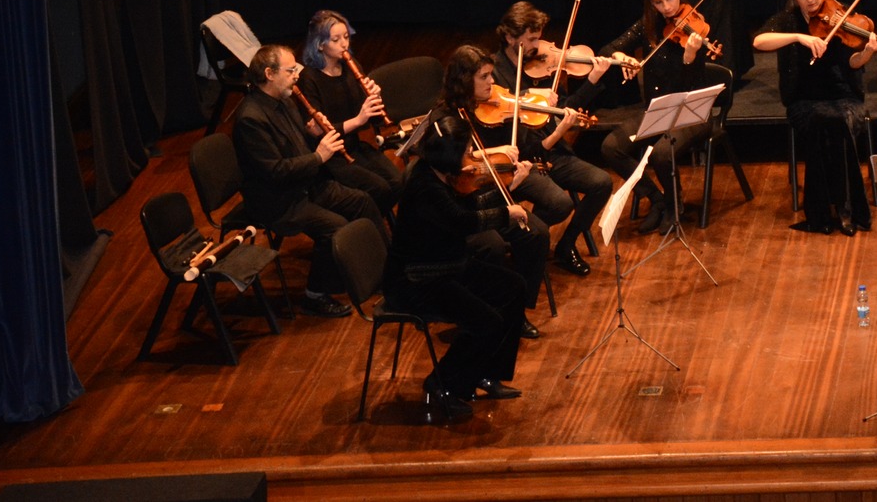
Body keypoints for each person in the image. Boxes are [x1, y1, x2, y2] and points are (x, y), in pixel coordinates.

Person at [385, 115, 532, 420]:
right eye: (466, 151)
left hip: (447, 267)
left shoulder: (438, 174)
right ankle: (441, 384)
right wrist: (506, 213)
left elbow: (465, 205)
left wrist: (508, 188)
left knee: (514, 287)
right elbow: (461, 221)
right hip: (417, 280)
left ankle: (485, 374)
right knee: (486, 321)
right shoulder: (424, 184)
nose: (470, 157)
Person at [578, 0, 736, 234]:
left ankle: (675, 206)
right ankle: (658, 199)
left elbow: (695, 86)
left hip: (692, 113)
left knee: (662, 153)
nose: (666, 8)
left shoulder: (695, 29)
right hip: (657, 110)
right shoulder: (648, 26)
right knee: (610, 147)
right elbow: (607, 49)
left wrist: (690, 56)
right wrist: (622, 58)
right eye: (658, 2)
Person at [230, 45, 383, 317]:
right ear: (269, 74)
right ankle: (315, 295)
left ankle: (381, 270)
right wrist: (319, 156)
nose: (296, 76)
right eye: (290, 71)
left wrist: (312, 133)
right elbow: (275, 171)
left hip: (304, 183)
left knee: (362, 201)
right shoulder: (250, 120)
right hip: (279, 200)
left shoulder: (285, 99)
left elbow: (295, 143)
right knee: (335, 227)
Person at [753, 0, 877, 235]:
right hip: (803, 100)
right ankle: (840, 210)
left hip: (843, 95)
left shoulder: (839, 14)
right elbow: (759, 41)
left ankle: (841, 209)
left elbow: (853, 62)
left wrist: (869, 52)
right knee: (825, 121)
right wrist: (800, 38)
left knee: (836, 121)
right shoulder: (788, 20)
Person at [470, 22, 614, 278]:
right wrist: (526, 95)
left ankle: (566, 245)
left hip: (550, 150)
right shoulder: (494, 75)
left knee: (601, 182)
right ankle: (527, 241)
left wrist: (591, 82)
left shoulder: (540, 68)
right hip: (524, 155)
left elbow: (563, 109)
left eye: (539, 39)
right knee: (560, 203)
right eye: (532, 39)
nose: (538, 47)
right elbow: (513, 135)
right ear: (510, 38)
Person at [297, 10, 402, 213]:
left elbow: (376, 121)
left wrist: (376, 99)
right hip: (331, 158)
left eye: (346, 37)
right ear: (320, 44)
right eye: (336, 39)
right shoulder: (308, 79)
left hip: (355, 147)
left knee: (397, 181)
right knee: (378, 189)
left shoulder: (350, 67)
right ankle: (367, 228)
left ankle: (378, 224)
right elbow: (320, 131)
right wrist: (359, 119)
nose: (344, 44)